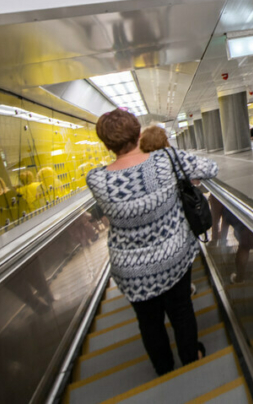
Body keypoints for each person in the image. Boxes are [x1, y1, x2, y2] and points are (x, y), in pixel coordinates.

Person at [86, 109, 218, 376]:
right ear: (138, 133)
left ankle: (164, 369)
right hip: (173, 258)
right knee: (181, 311)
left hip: (131, 271)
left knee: (148, 322)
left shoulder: (96, 179)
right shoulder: (166, 159)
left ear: (106, 143)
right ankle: (191, 357)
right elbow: (211, 168)